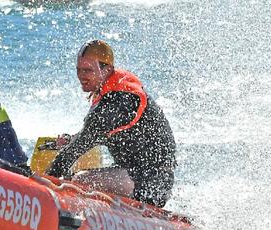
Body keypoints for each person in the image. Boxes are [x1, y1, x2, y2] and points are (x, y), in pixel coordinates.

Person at [46, 40, 176, 207]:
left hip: (152, 184)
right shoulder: (109, 91)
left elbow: (81, 145)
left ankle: (81, 223)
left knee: (81, 179)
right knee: (78, 178)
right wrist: (71, 139)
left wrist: (47, 182)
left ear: (107, 70)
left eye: (88, 70)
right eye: (78, 70)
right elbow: (94, 134)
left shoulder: (119, 100)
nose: (81, 76)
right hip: (136, 174)